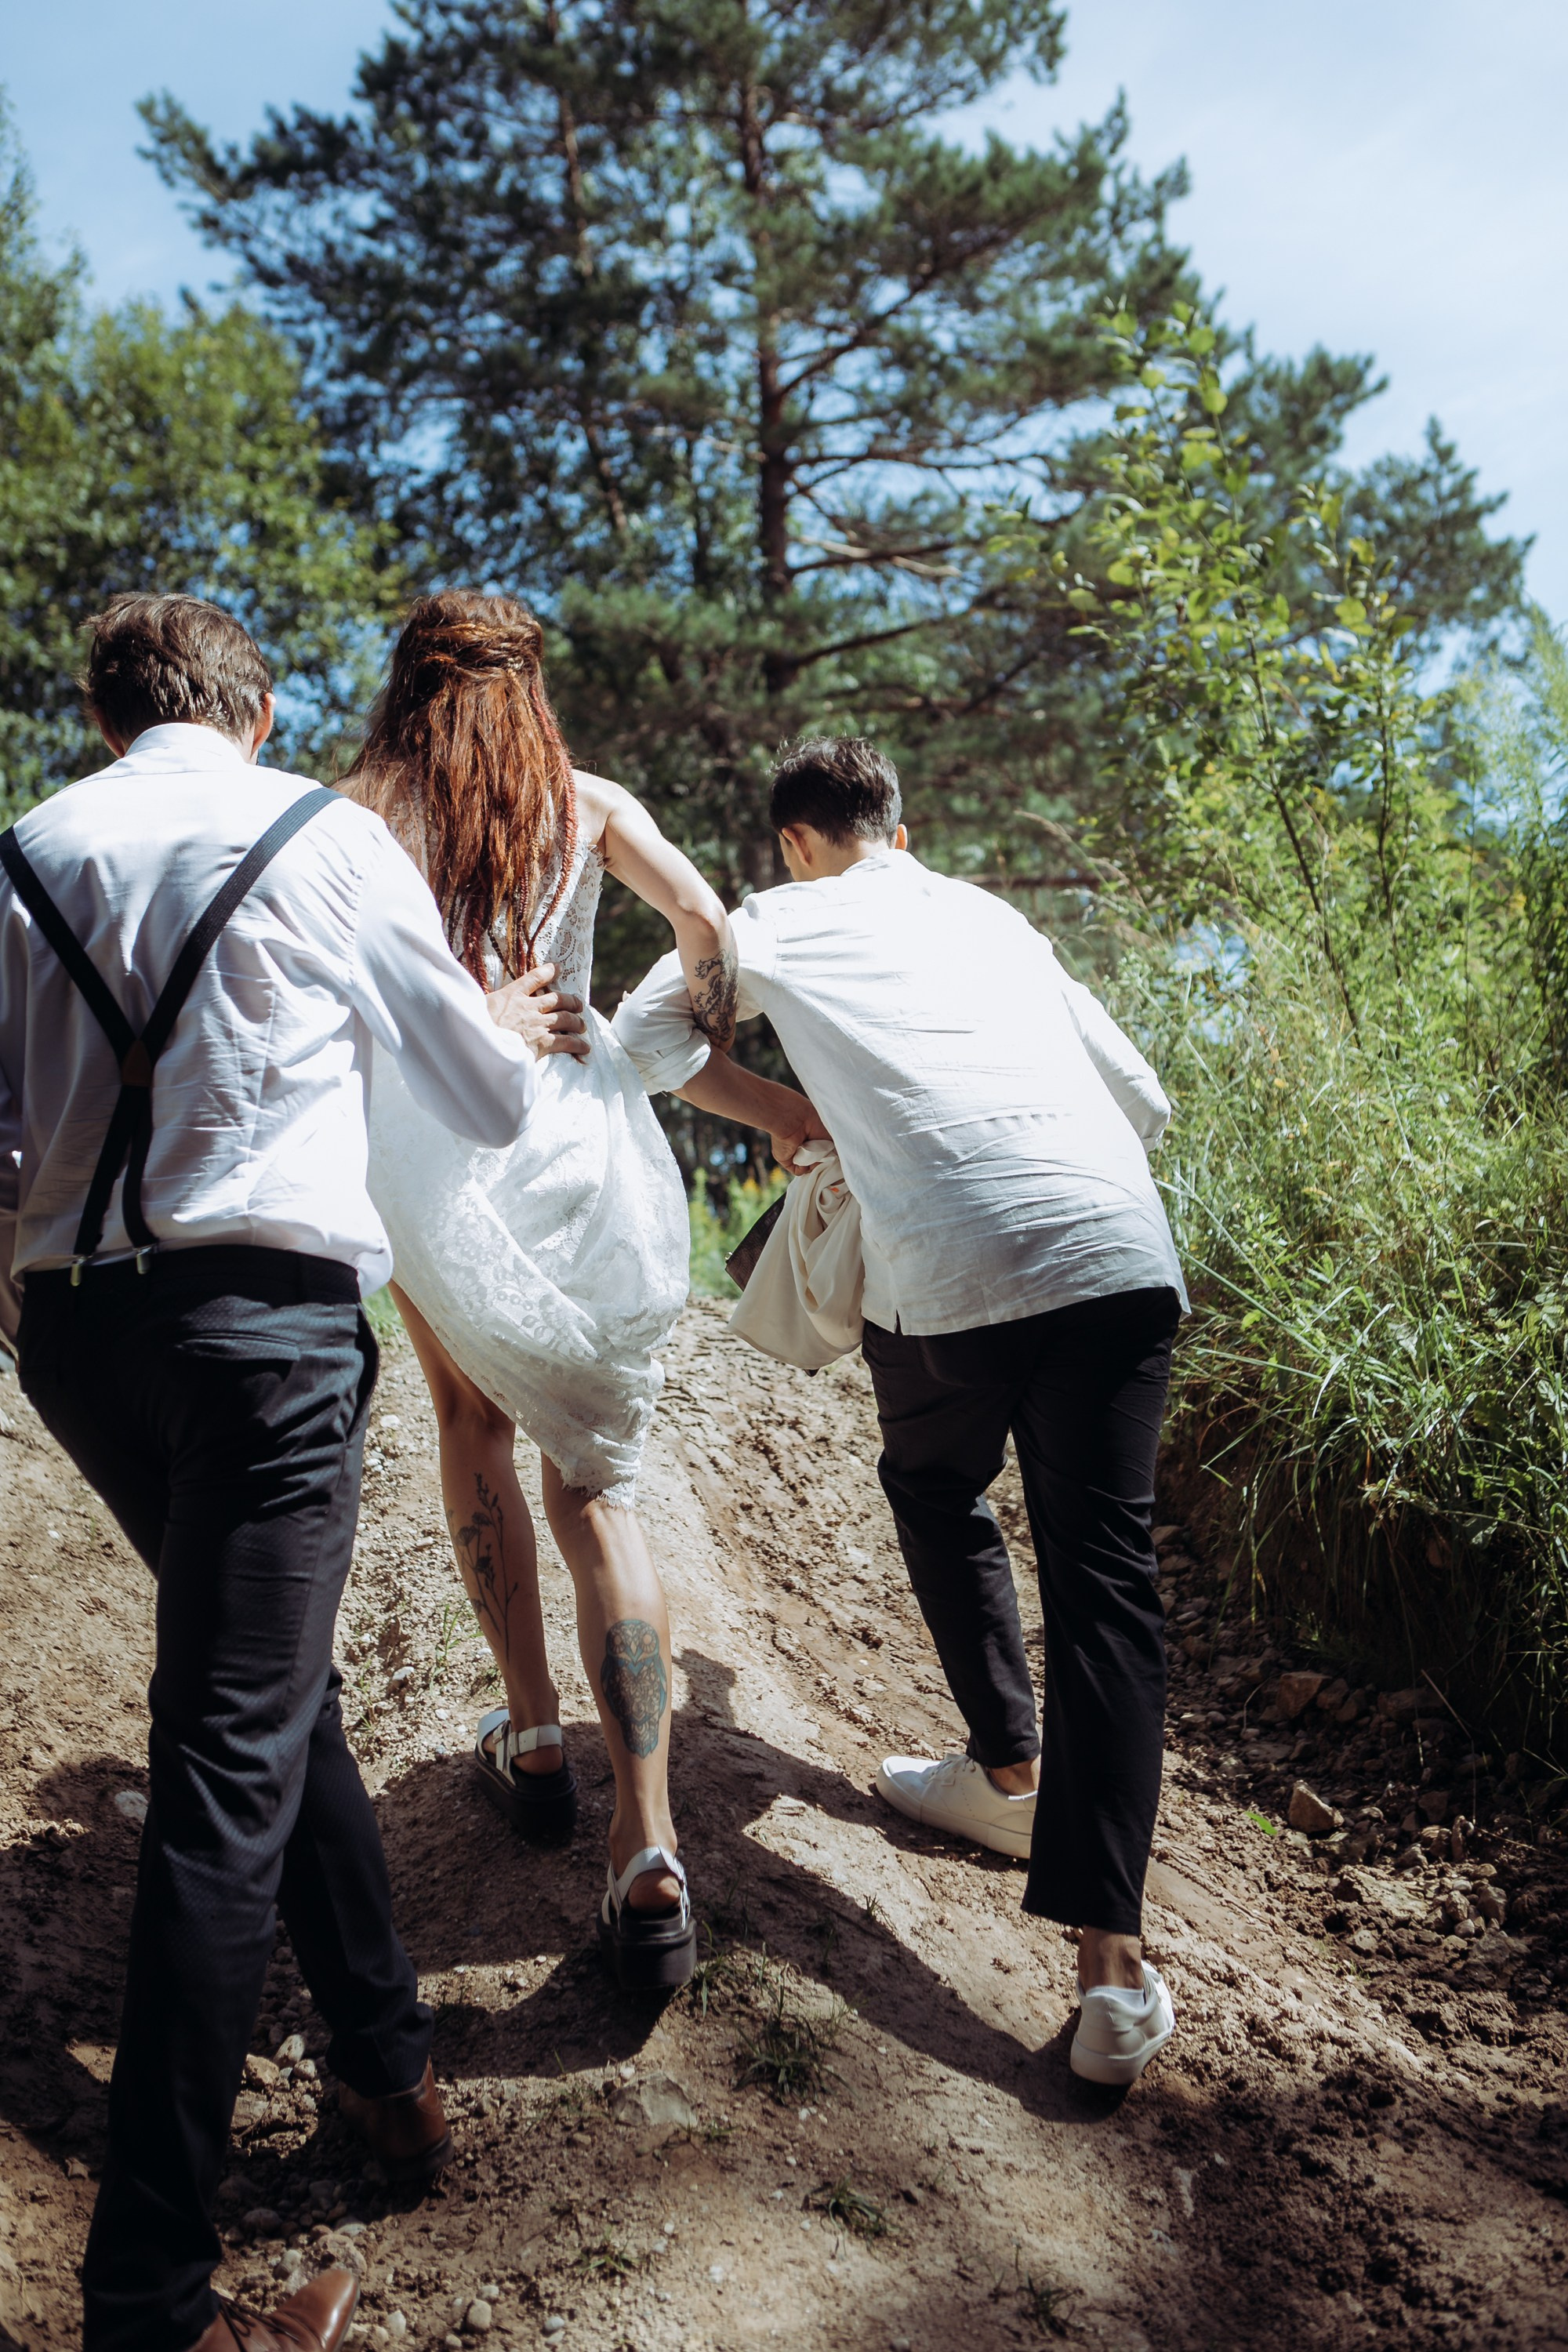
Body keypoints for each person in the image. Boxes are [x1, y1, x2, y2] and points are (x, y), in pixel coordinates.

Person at [0, 595, 581, 2352]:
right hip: (261, 1333)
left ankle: (389, 2075)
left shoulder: (23, 851)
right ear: (255, 714)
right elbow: (479, 1103)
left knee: (270, 1693)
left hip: (78, 1338)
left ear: (111, 721)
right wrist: (528, 1025)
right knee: (227, 1758)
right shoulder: (323, 837)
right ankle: (151, 2300)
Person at [612, 736, 1189, 2086]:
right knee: (1110, 1587)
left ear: (796, 844)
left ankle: (1005, 1770)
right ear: (903, 830)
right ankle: (1111, 1978)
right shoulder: (993, 916)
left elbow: (644, 1049)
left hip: (950, 1275)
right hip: (1118, 1257)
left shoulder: (773, 920)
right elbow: (1145, 1101)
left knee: (935, 1484)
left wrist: (784, 1107)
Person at [348, 590, 740, 1991]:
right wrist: (658, 1033)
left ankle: (530, 1735)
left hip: (447, 1152)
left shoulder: (364, 809)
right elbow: (708, 925)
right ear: (531, 684)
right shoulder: (592, 803)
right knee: (600, 1488)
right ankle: (648, 1845)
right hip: (588, 1151)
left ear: (411, 681)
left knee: (473, 1432)